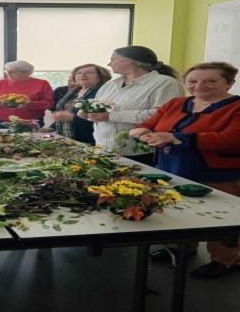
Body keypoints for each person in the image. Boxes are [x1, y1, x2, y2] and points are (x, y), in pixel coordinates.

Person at [131, 62, 240, 278]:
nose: (200, 85)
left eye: (211, 81)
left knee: (219, 218)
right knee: (176, 211)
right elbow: (150, 123)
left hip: (217, 174)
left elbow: (233, 139)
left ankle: (226, 260)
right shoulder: (176, 103)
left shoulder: (235, 107)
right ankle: (182, 246)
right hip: (172, 169)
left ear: (229, 82)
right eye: (192, 81)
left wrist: (177, 138)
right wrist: (142, 131)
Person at [88, 46, 184, 165]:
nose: (109, 64)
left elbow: (163, 116)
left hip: (140, 152)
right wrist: (88, 112)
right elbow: (97, 107)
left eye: (113, 59)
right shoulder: (110, 84)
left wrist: (111, 116)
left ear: (129, 61)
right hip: (104, 148)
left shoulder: (164, 83)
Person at [51, 64, 111, 144]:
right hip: (66, 138)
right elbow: (64, 113)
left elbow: (104, 120)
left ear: (100, 76)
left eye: (90, 72)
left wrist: (73, 118)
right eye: (79, 73)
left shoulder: (103, 92)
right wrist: (52, 127)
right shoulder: (74, 91)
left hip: (90, 140)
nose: (82, 75)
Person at [0, 60, 53, 129]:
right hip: (1, 121)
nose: (8, 74)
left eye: (12, 72)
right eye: (7, 71)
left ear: (26, 73)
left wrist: (29, 104)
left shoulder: (42, 84)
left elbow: (48, 103)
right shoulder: (0, 83)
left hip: (29, 121)